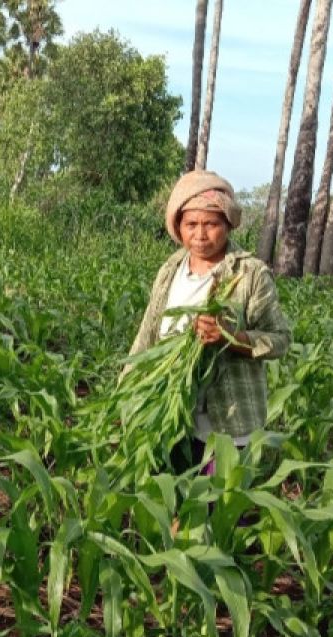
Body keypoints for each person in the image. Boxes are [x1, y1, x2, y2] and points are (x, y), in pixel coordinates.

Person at [128, 170, 291, 474]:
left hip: (229, 421)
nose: (200, 234)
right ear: (178, 226)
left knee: (222, 507)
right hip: (171, 413)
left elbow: (280, 339)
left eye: (211, 224)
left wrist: (230, 337)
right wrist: (127, 390)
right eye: (191, 224)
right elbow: (147, 334)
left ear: (228, 225)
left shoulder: (251, 273)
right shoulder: (171, 269)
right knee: (173, 502)